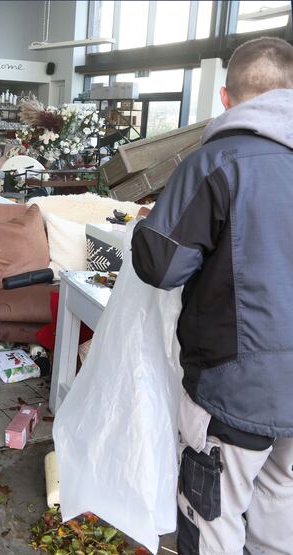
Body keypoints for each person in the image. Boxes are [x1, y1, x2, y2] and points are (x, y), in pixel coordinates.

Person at [131, 37, 293, 555]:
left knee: (212, 514)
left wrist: (150, 227)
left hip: (235, 384)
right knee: (280, 502)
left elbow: (162, 266)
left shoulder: (216, 161)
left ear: (226, 98)